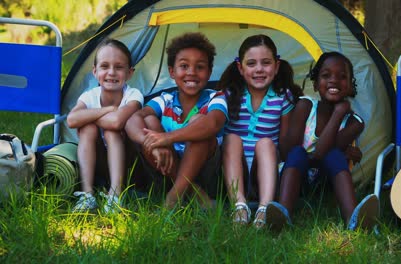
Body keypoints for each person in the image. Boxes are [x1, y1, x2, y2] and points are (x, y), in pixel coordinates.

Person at [266, 51, 378, 231]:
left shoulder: (354, 123)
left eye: (342, 77)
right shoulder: (305, 106)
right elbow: (290, 153)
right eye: (326, 76)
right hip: (293, 177)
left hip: (323, 184)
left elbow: (323, 154)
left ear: (350, 86)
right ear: (316, 84)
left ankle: (353, 219)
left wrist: (338, 114)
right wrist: (337, 115)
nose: (334, 80)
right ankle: (283, 214)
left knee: (334, 155)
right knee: (297, 152)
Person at [125, 32, 228, 209]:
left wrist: (167, 138)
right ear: (172, 72)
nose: (191, 72)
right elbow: (132, 119)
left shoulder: (216, 97)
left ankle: (173, 198)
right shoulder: (165, 99)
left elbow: (212, 124)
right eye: (184, 66)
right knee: (149, 120)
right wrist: (151, 143)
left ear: (210, 72)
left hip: (205, 169)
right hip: (165, 168)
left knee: (199, 122)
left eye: (200, 67)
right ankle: (196, 196)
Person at [217, 34, 303, 228]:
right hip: (230, 173)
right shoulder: (229, 95)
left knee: (265, 143)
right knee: (231, 138)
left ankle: (264, 208)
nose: (259, 70)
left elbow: (283, 142)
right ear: (240, 68)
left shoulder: (283, 97)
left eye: (266, 63)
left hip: (265, 172)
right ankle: (239, 205)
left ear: (276, 66)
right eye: (251, 63)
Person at [67, 38, 144, 213]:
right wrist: (109, 109)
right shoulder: (90, 96)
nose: (111, 72)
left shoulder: (133, 95)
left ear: (130, 73)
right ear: (95, 72)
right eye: (104, 66)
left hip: (130, 163)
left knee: (111, 131)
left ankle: (115, 195)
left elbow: (116, 122)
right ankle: (87, 194)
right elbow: (72, 120)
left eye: (118, 67)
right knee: (87, 129)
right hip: (100, 163)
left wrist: (87, 116)